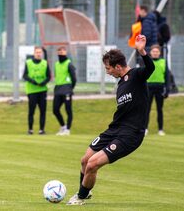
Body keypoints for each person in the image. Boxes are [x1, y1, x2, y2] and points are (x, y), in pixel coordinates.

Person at [66, 35, 154, 205]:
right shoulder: (121, 83)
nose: (107, 72)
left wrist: (142, 51)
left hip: (130, 134)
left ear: (118, 66)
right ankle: (85, 190)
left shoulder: (136, 76)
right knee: (85, 160)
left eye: (108, 68)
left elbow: (150, 68)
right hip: (114, 130)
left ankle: (80, 196)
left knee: (92, 164)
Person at [23, 46, 51, 135]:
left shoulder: (45, 63)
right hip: (32, 91)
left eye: (40, 52)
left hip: (42, 91)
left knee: (43, 111)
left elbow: (49, 76)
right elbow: (25, 75)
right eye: (37, 52)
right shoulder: (28, 63)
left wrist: (43, 82)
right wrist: (33, 82)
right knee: (31, 111)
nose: (38, 54)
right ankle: (30, 130)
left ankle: (41, 130)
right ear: (34, 53)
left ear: (42, 54)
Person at [145, 44, 169, 136]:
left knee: (160, 109)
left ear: (160, 53)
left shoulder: (163, 62)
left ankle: (160, 129)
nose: (155, 53)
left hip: (160, 88)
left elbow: (167, 77)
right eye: (153, 51)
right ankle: (145, 129)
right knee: (147, 109)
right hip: (148, 88)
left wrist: (167, 90)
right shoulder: (147, 61)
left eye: (157, 52)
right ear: (150, 52)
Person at [52, 46, 76, 136]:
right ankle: (63, 126)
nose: (61, 53)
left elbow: (74, 78)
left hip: (66, 89)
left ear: (66, 53)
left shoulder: (69, 63)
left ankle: (68, 129)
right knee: (55, 110)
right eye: (59, 52)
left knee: (68, 110)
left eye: (62, 52)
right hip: (58, 89)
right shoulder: (56, 64)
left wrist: (70, 88)